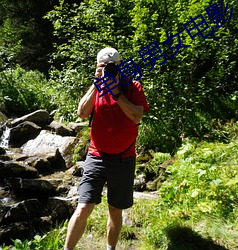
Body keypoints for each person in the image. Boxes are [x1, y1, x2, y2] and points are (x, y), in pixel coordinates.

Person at [64, 47, 150, 250]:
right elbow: (82, 113)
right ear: (97, 67)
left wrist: (117, 93)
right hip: (97, 156)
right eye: (102, 66)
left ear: (120, 66)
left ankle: (110, 248)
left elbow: (137, 116)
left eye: (111, 66)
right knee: (84, 205)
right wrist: (96, 85)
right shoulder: (96, 89)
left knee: (115, 209)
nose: (107, 70)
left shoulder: (133, 87)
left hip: (124, 157)